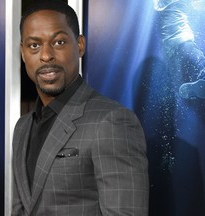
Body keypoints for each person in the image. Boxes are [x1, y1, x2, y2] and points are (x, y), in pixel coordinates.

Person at [12, 1, 149, 215]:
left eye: (58, 42)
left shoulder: (111, 121)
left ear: (80, 45)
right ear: (23, 52)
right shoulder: (22, 127)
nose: (46, 55)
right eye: (34, 45)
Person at [154, 0, 205, 99]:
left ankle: (196, 85)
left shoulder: (160, 5)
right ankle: (196, 87)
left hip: (175, 46)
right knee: (197, 63)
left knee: (196, 62)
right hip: (179, 43)